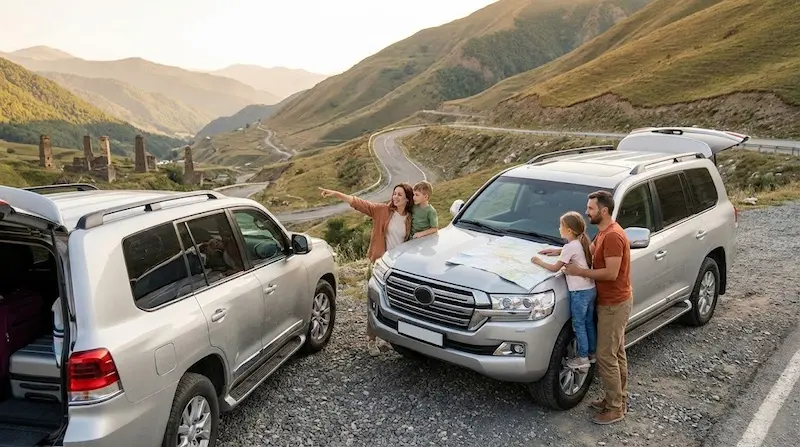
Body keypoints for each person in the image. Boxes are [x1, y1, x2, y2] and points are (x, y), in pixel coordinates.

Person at [319, 183, 414, 356]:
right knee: (375, 303)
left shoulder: (410, 218)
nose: (395, 197)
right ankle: (371, 340)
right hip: (379, 265)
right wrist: (336, 193)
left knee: (393, 304)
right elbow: (358, 202)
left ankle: (387, 337)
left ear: (407, 199)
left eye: (400, 194)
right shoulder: (382, 211)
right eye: (394, 194)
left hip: (396, 269)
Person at [563, 190, 632, 425]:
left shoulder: (613, 236)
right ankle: (617, 399)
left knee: (605, 357)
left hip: (614, 303)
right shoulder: (602, 233)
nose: (586, 212)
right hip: (609, 302)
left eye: (590, 208)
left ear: (603, 211)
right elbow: (588, 253)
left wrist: (579, 272)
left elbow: (611, 273)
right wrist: (560, 254)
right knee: (616, 354)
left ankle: (615, 409)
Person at [532, 211, 596, 370]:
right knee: (588, 323)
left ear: (569, 230)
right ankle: (592, 354)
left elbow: (555, 268)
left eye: (561, 226)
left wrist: (538, 261)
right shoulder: (582, 242)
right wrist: (557, 251)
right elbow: (571, 252)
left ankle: (582, 359)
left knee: (578, 325)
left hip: (579, 293)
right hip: (591, 290)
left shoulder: (569, 246)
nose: (559, 229)